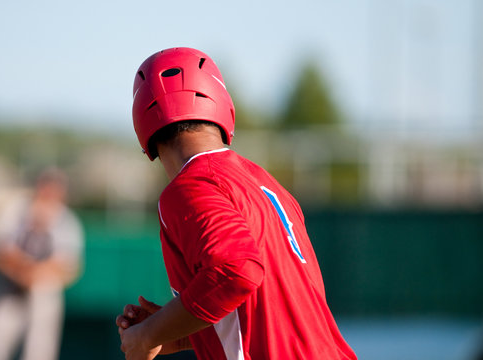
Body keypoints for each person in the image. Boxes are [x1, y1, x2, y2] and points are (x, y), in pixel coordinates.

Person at [116, 47, 357, 360]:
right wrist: (170, 331)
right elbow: (271, 310)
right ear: (221, 106)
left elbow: (236, 271)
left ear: (144, 122)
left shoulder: (190, 187)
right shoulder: (268, 185)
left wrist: (145, 336)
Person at [0, 168, 84, 360]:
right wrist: (25, 270)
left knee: (40, 349)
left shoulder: (67, 221)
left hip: (43, 290)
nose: (48, 195)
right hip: (8, 286)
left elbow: (70, 267)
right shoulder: (15, 210)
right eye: (46, 189)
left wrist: (36, 273)